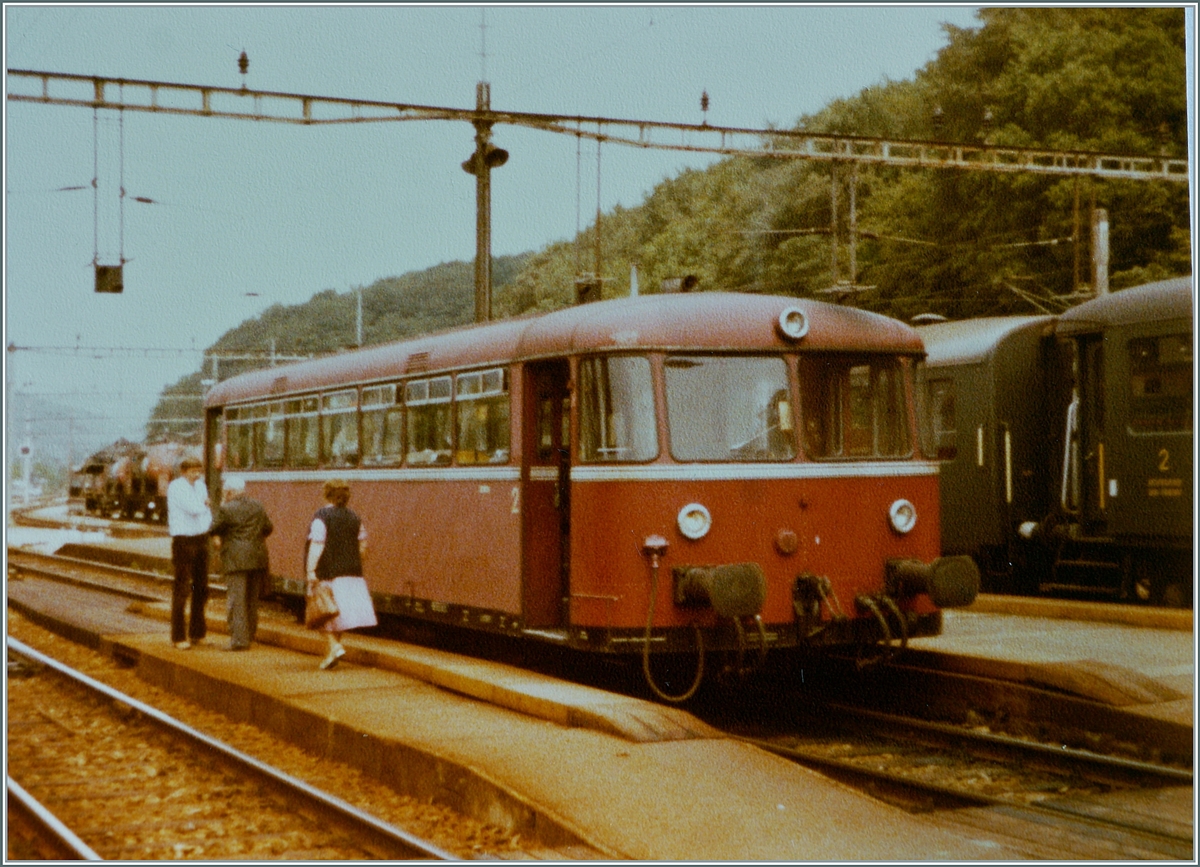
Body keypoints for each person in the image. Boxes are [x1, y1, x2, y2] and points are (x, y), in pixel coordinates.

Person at [305, 478, 377, 669]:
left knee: (321, 614)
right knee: (338, 616)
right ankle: (331, 653)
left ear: (325, 494)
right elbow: (364, 545)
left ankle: (334, 646)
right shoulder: (355, 517)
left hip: (328, 574)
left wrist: (311, 570)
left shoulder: (321, 517)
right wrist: (354, 560)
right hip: (351, 573)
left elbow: (317, 545)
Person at [209, 477, 273, 651]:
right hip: (257, 557)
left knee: (237, 600)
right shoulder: (258, 506)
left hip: (235, 559)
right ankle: (250, 634)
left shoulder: (226, 508)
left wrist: (222, 502)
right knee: (251, 600)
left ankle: (239, 640)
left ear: (228, 491)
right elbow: (268, 528)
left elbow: (213, 528)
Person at [167, 457, 212, 649]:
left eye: (198, 470)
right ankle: (178, 637)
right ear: (183, 471)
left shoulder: (201, 486)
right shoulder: (176, 487)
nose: (197, 473)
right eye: (193, 470)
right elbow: (193, 508)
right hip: (183, 540)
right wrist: (204, 505)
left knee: (200, 588)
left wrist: (206, 521)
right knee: (182, 588)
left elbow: (205, 512)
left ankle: (197, 632)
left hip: (200, 538)